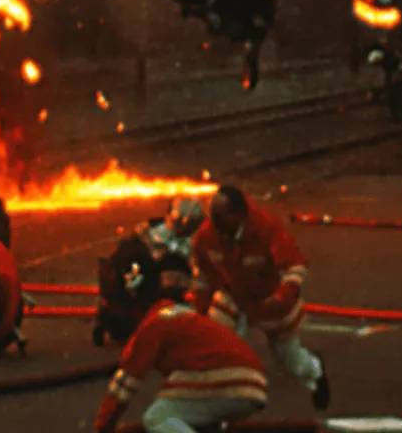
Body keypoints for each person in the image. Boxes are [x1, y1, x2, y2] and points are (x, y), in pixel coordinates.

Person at [189, 185, 331, 411]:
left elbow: (295, 265)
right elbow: (203, 276)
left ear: (239, 214)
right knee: (219, 347)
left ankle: (315, 371)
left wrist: (283, 296)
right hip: (233, 297)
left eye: (221, 218)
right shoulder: (207, 236)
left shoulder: (266, 229)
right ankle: (223, 401)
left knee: (291, 363)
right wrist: (201, 313)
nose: (215, 224)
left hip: (270, 300)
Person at [92, 275, 268, 433]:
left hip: (226, 378)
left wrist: (103, 428)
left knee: (158, 417)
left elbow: (123, 388)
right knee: (186, 412)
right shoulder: (183, 316)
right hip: (253, 381)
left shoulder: (151, 326)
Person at [94, 197, 203, 346]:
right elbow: (172, 295)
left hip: (115, 311)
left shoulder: (143, 231)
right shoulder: (175, 258)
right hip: (137, 316)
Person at [366, 44, 402, 123]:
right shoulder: (387, 59)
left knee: (395, 98)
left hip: (400, 79)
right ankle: (399, 117)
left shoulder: (391, 59)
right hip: (397, 78)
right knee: (393, 99)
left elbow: (399, 70)